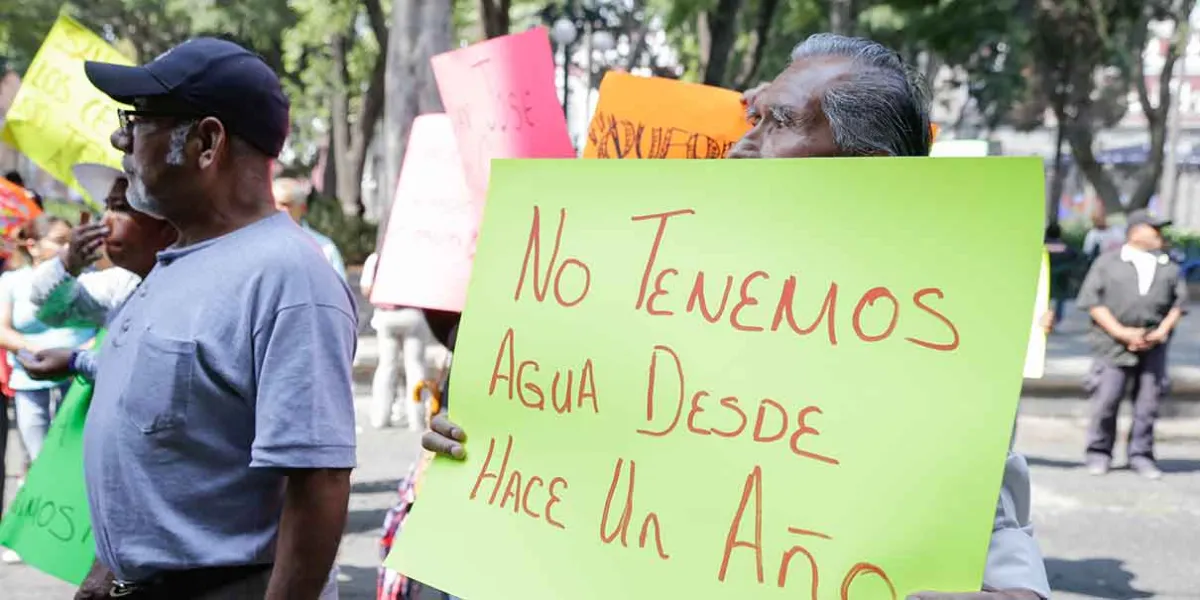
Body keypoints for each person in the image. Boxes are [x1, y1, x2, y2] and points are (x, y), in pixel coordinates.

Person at [422, 34, 1050, 600]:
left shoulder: (939, 336)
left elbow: (989, 517)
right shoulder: (652, 294)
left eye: (777, 123)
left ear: (870, 167)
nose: (738, 147)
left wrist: (1016, 595)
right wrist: (489, 440)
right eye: (752, 119)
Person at [75, 37, 357, 599]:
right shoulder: (177, 260)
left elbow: (319, 483)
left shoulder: (286, 277)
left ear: (206, 141)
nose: (120, 140)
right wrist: (110, 566)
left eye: (140, 121)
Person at [18, 163, 178, 383]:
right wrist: (68, 264)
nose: (105, 223)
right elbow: (51, 312)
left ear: (168, 223)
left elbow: (154, 376)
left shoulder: (188, 291)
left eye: (121, 208)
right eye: (107, 207)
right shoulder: (122, 283)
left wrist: (77, 362)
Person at [1074, 209, 1186, 480]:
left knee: (1148, 404)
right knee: (1106, 400)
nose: (1160, 235)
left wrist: (1160, 331)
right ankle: (1099, 452)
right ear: (1135, 232)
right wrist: (1122, 332)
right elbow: (1092, 302)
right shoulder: (1108, 262)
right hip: (1112, 344)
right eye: (1154, 229)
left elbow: (1178, 305)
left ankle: (1141, 454)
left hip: (1153, 345)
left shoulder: (1168, 266)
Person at [360, 251, 438, 431]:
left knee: (387, 366)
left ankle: (380, 417)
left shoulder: (376, 258)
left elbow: (366, 288)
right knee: (415, 366)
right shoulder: (418, 256)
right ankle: (417, 419)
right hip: (413, 313)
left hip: (386, 315)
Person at [273, 177, 347, 280]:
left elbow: (340, 291)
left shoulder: (324, 248)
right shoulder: (254, 245)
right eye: (272, 204)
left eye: (285, 204)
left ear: (303, 208)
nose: (277, 210)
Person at [1043, 223, 1077, 330]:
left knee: (1044, 299)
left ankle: (1045, 318)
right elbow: (1074, 257)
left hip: (1045, 278)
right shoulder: (1064, 246)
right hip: (1061, 278)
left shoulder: (1043, 246)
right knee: (1060, 299)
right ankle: (1057, 318)